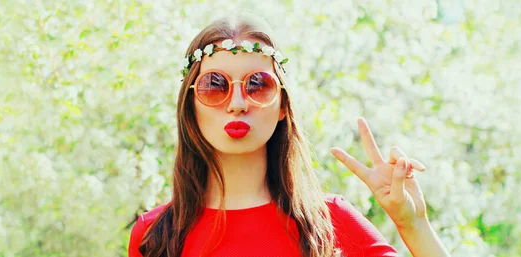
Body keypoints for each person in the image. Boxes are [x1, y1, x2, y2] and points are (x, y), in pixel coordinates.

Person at [129, 11, 450, 257]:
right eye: (215, 86)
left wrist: (414, 224)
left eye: (258, 84)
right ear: (190, 105)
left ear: (283, 105)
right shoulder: (155, 236)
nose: (238, 104)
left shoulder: (330, 222)